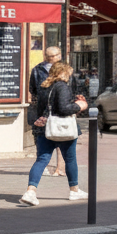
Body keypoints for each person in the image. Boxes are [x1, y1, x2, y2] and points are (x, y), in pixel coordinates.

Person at [21, 62, 89, 206]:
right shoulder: (62, 86)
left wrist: (39, 120)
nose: (69, 76)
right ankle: (74, 190)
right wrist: (79, 106)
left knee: (42, 159)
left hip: (44, 128)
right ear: (62, 73)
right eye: (68, 73)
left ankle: (30, 191)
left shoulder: (43, 86)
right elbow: (64, 108)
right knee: (70, 159)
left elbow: (38, 107)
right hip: (63, 129)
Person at [27, 46, 66, 177]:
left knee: (61, 136)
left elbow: (71, 87)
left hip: (59, 108)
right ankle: (42, 165)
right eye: (49, 56)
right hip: (42, 108)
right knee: (40, 137)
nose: (52, 59)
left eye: (54, 56)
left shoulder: (65, 70)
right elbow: (32, 88)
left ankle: (60, 168)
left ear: (59, 56)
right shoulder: (38, 70)